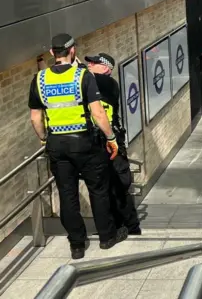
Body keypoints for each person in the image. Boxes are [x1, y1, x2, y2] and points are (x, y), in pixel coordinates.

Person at [28, 34, 128, 259]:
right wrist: (111, 138)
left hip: (57, 144)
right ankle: (106, 237)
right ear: (72, 51)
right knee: (98, 190)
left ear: (53, 53)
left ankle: (77, 245)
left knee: (67, 193)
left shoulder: (39, 79)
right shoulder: (82, 76)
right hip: (85, 142)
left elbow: (35, 118)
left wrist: (45, 139)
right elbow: (98, 113)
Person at [86, 53, 141, 235]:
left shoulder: (108, 84)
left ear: (105, 68)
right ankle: (114, 226)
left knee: (119, 187)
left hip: (114, 144)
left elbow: (80, 74)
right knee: (103, 189)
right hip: (98, 144)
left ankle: (132, 228)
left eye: (94, 63)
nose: (89, 65)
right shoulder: (93, 82)